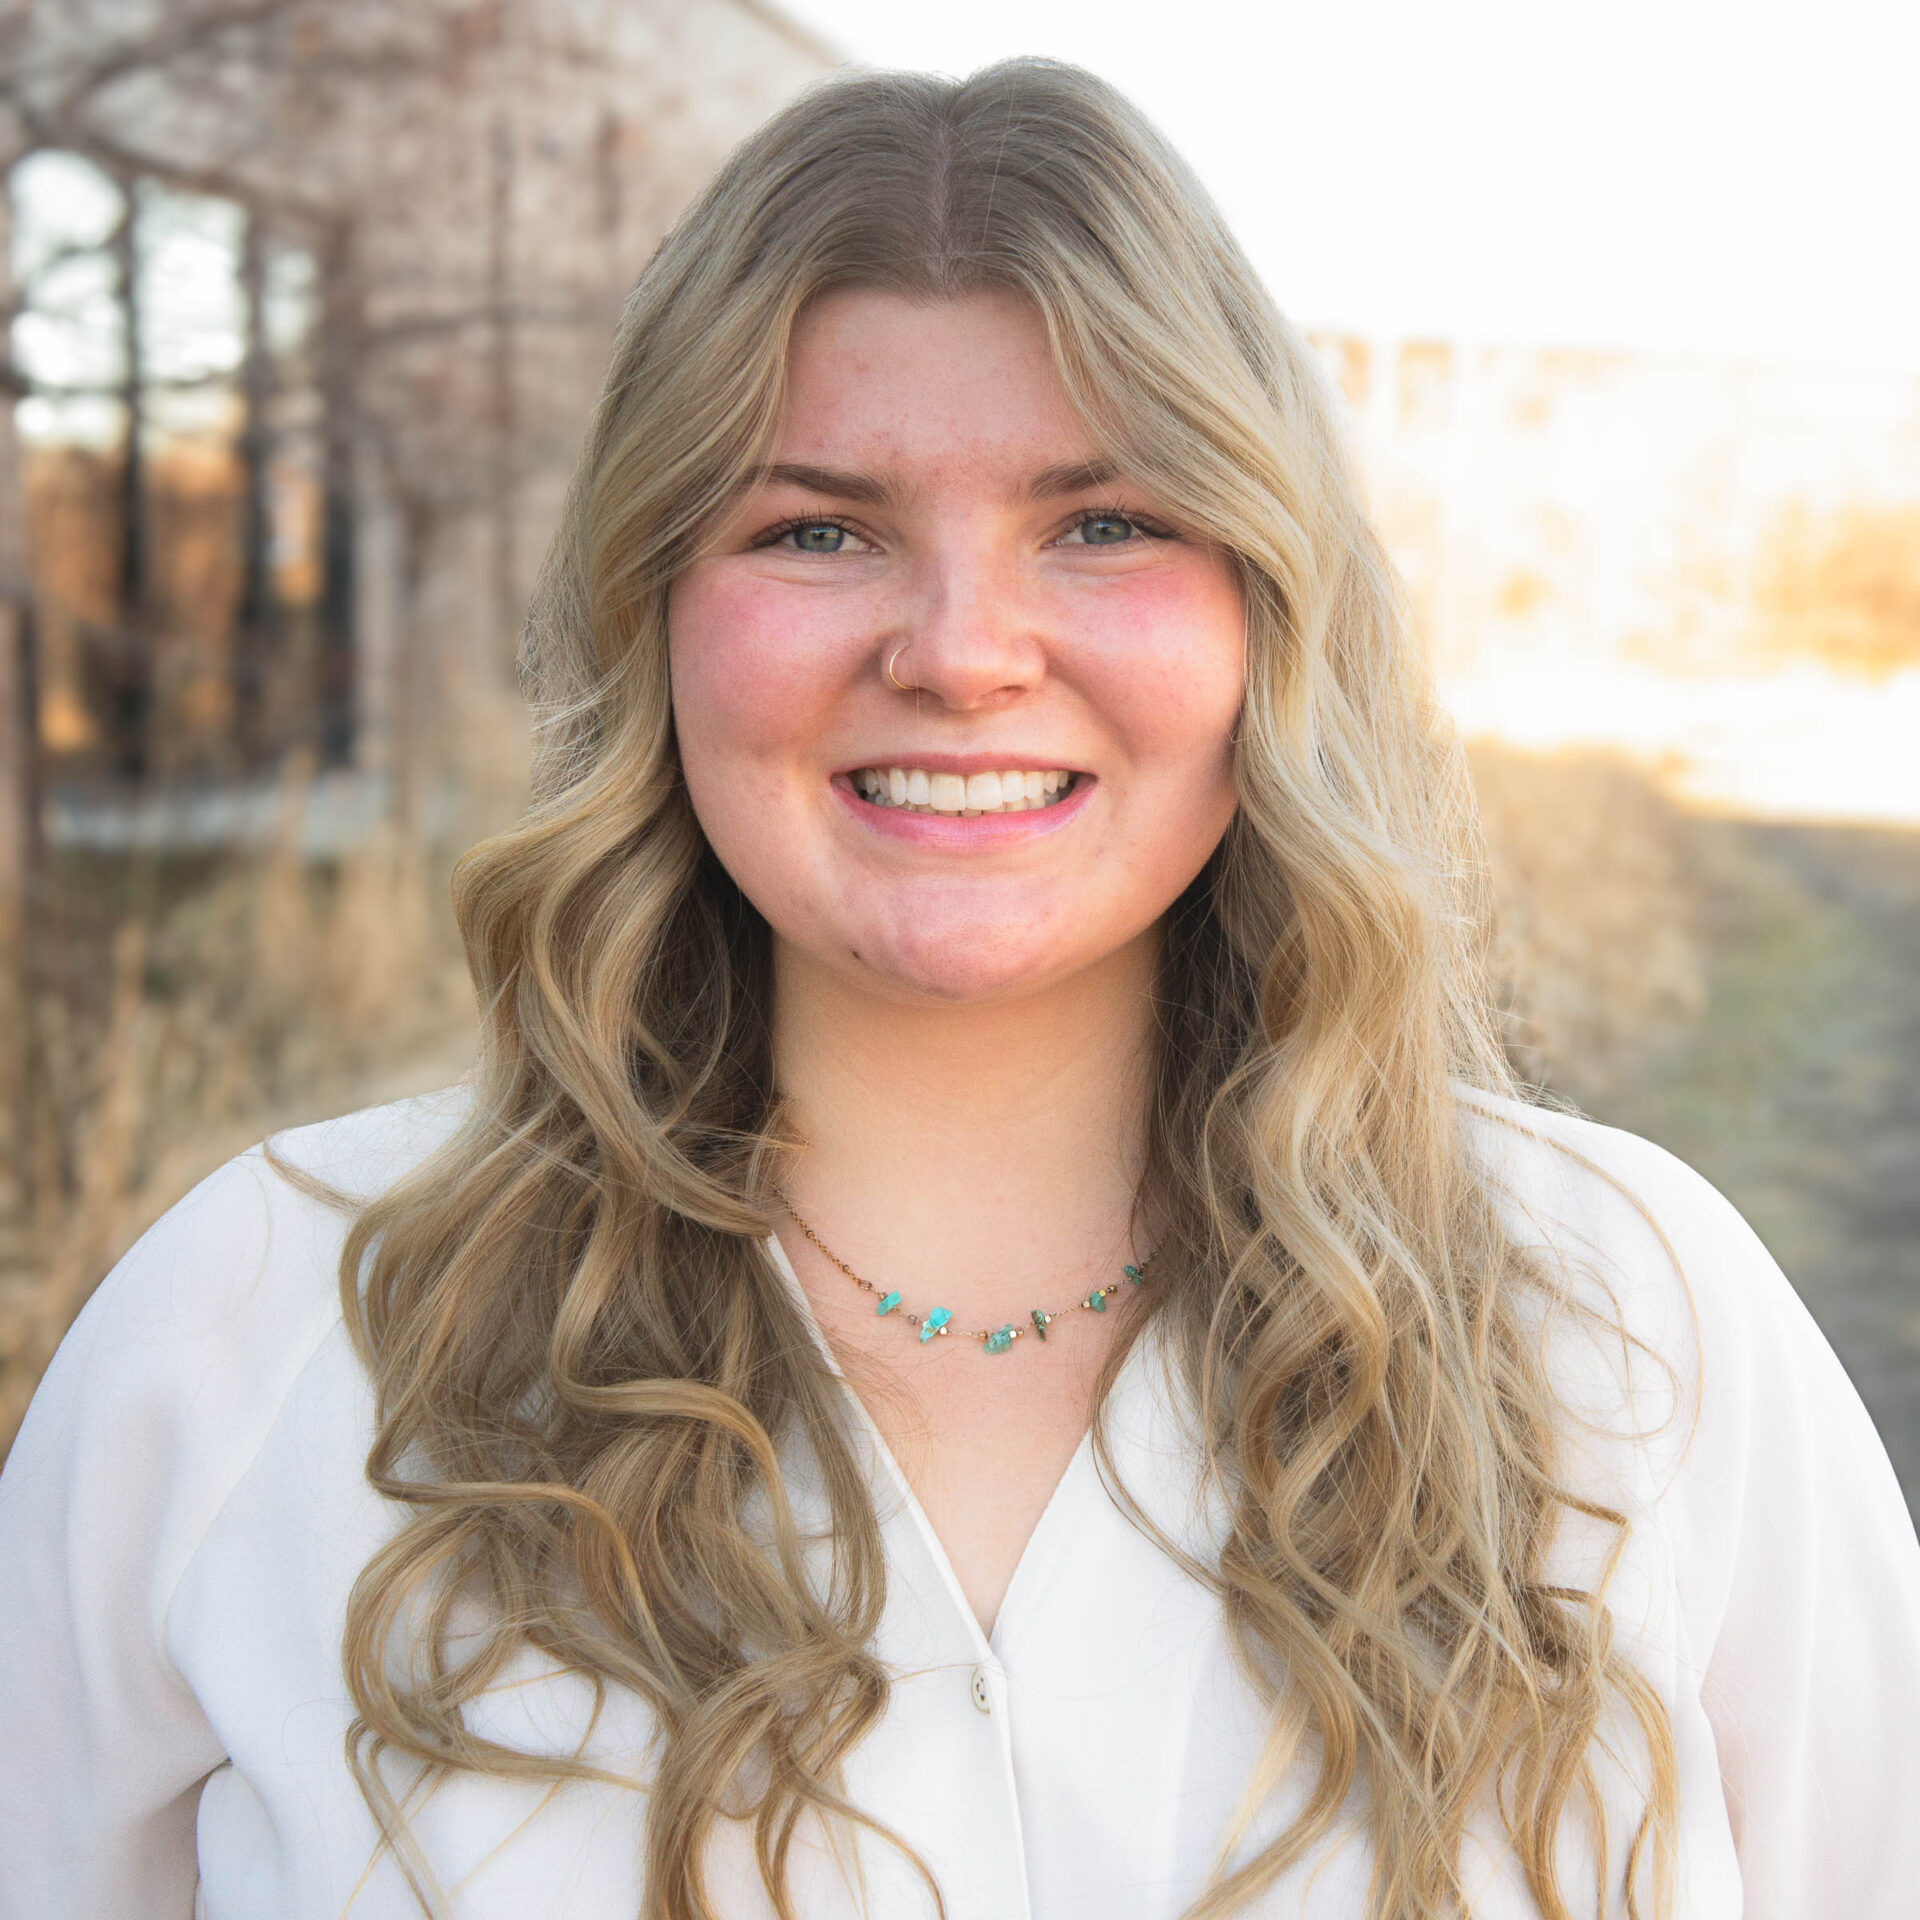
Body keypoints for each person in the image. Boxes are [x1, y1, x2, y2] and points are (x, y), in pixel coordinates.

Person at [2, 59, 1917, 1920]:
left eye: (1103, 522)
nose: (962, 651)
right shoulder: (256, 1341)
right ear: (653, 608)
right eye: (816, 530)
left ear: (1267, 605)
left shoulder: (1637, 1335)